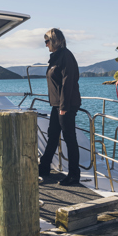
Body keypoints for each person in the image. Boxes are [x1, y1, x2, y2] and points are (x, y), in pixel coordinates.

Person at [39, 28, 82, 185]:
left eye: (47, 41)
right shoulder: (56, 57)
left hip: (66, 105)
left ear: (54, 40)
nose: (46, 45)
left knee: (70, 139)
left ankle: (74, 175)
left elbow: (68, 82)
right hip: (57, 105)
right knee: (52, 136)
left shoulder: (65, 56)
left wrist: (64, 107)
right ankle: (44, 167)